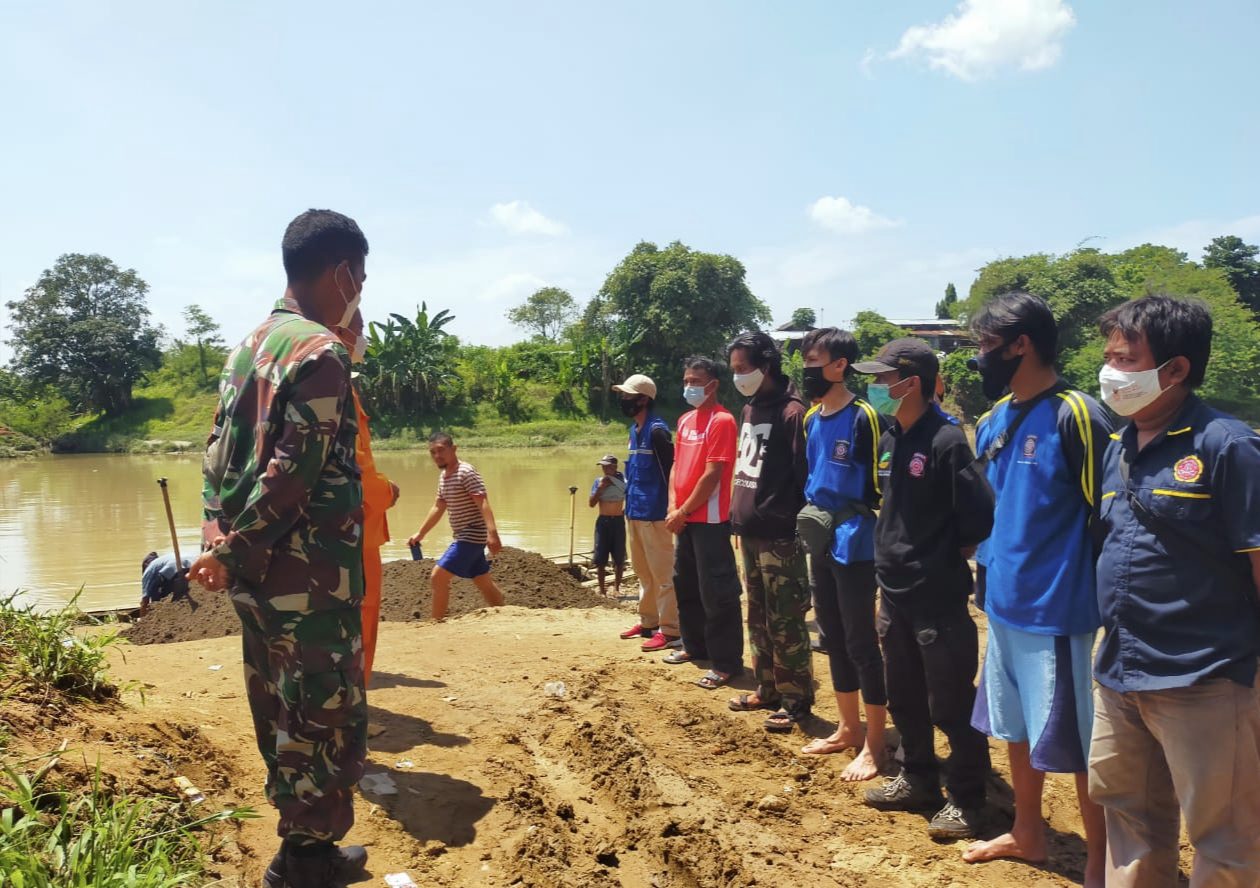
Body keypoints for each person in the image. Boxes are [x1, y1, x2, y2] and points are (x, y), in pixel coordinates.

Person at [189, 208, 370, 888]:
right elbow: (293, 470)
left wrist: (217, 538)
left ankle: (306, 852)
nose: (361, 290)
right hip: (309, 579)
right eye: (362, 276)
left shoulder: (248, 348)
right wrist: (234, 548)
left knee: (277, 706)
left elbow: (216, 456)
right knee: (321, 713)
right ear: (343, 271)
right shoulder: (321, 354)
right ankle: (306, 863)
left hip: (257, 577)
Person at [1088, 295, 1260, 886]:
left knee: (1226, 840)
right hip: (1121, 672)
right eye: (1108, 356)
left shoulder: (1227, 446)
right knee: (1130, 825)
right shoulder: (1118, 447)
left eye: (1125, 358)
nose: (1110, 371)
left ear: (1177, 368)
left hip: (1205, 677)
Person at [962, 293, 1109, 884]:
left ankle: (1102, 857)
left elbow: (1109, 514)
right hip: (1002, 602)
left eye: (985, 345)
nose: (980, 357)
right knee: (1016, 727)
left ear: (1021, 343)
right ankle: (1028, 832)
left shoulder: (1079, 414)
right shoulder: (996, 419)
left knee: (1075, 740)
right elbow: (990, 508)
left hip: (1055, 608)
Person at [854, 338, 995, 841]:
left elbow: (978, 516)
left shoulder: (947, 440)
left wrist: (935, 558)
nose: (874, 387)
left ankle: (968, 799)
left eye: (882, 378)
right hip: (892, 592)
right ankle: (917, 777)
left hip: (936, 597)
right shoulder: (892, 436)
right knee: (904, 695)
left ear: (910, 383)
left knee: (951, 703)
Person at [796, 327, 889, 780]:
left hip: (856, 538)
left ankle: (875, 743)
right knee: (830, 633)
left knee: (860, 639)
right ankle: (848, 727)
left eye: (814, 360)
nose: (807, 368)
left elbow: (879, 487)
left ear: (839, 366)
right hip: (821, 534)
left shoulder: (865, 416)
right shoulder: (813, 418)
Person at [725, 331, 812, 733]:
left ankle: (795, 698)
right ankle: (767, 688)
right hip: (751, 530)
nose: (738, 376)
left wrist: (795, 526)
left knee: (786, 619)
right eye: (734, 370)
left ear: (766, 366)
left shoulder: (792, 413)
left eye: (743, 368)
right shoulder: (749, 408)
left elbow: (803, 475)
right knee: (756, 615)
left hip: (780, 534)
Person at [662, 356, 743, 690]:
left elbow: (713, 474)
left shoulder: (722, 421)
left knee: (717, 592)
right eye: (686, 381)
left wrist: (683, 511)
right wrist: (672, 507)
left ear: (713, 385)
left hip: (710, 521)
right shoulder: (684, 421)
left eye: (696, 381)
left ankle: (726, 663)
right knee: (686, 583)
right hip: (683, 519)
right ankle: (694, 647)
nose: (689, 386)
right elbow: (676, 467)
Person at [333, 310, 400, 689]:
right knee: (360, 616)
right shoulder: (335, 384)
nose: (363, 337)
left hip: (350, 525)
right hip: (355, 528)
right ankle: (349, 706)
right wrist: (388, 491)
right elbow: (351, 467)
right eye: (359, 328)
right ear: (341, 332)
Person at [407, 432, 506, 621]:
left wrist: (492, 534)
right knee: (483, 581)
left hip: (471, 535)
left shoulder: (465, 472)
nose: (437, 456)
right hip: (463, 534)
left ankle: (435, 622)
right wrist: (421, 533)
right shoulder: (444, 476)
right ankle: (506, 614)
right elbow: (438, 506)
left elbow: (482, 502)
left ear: (454, 449)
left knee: (438, 577)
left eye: (441, 451)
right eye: (433, 453)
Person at [612, 374, 679, 652]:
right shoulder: (633, 430)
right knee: (642, 571)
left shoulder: (657, 432)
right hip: (635, 511)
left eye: (628, 396)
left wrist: (672, 508)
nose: (624, 400)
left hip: (655, 514)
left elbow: (671, 473)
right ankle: (648, 621)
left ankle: (671, 630)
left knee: (663, 574)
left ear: (643, 400)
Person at [588, 454, 627, 597]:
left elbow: (632, 496)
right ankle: (602, 590)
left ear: (615, 467)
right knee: (600, 557)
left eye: (607, 466)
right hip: (603, 521)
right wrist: (600, 488)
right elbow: (591, 504)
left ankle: (617, 588)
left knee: (619, 556)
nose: (604, 469)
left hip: (618, 521)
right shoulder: (598, 481)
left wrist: (625, 511)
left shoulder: (623, 481)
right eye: (603, 466)